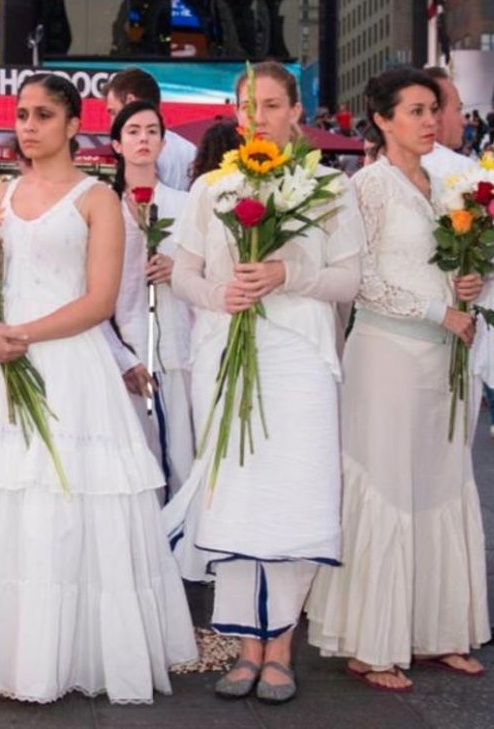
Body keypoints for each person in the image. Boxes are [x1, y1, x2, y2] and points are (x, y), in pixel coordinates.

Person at [0, 74, 196, 704]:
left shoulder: (97, 201)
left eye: (44, 115)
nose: (29, 126)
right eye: (22, 114)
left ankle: (64, 651)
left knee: (62, 508)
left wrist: (18, 333)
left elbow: (100, 300)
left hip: (69, 368)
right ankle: (2, 650)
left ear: (74, 124)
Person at [163, 62, 360, 705]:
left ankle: (282, 648)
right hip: (227, 347)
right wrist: (222, 292)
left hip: (298, 355)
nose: (260, 118)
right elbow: (183, 273)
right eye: (249, 106)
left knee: (295, 493)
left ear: (296, 112)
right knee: (237, 493)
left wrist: (286, 276)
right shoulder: (209, 190)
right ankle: (245, 646)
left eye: (272, 105)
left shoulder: (329, 185)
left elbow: (349, 280)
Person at [306, 67, 491, 692]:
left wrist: (470, 284)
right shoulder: (367, 188)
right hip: (386, 353)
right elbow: (362, 281)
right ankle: (370, 643)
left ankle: (440, 631)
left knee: (441, 484)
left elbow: (460, 261)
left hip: (445, 355)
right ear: (382, 120)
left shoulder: (448, 186)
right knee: (384, 486)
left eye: (432, 109)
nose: (429, 120)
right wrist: (438, 309)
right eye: (414, 110)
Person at [419, 67, 494, 444]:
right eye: (458, 108)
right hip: (452, 328)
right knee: (446, 452)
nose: (464, 120)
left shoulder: (380, 169)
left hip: (401, 335)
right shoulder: (464, 172)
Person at [108, 100, 194, 496]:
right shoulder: (104, 207)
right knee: (134, 457)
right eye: (133, 131)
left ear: (163, 142)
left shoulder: (186, 205)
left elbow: (206, 272)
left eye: (152, 131)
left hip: (178, 343)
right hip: (121, 345)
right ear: (117, 144)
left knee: (181, 453)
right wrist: (121, 354)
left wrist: (177, 271)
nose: (143, 139)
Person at [104, 67, 197, 191]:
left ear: (130, 101)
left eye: (113, 112)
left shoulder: (137, 150)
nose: (112, 123)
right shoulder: (190, 150)